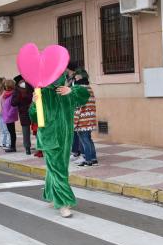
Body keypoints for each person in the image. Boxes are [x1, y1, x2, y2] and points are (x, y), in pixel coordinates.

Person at [29, 72, 89, 218]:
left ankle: (51, 195)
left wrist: (72, 90)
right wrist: (35, 104)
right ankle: (63, 202)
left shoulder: (65, 91)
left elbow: (84, 96)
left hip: (65, 138)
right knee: (58, 170)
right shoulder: (42, 92)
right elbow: (34, 117)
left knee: (55, 168)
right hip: (49, 138)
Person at [71, 73, 98, 167]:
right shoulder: (89, 88)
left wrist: (74, 122)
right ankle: (93, 159)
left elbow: (77, 108)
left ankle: (88, 160)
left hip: (83, 120)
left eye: (77, 77)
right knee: (89, 139)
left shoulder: (79, 90)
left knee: (84, 141)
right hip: (90, 119)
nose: (75, 79)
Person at [11, 75, 34, 155]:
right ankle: (31, 148)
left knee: (32, 130)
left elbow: (13, 103)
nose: (22, 82)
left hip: (29, 111)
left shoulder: (27, 88)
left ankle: (33, 148)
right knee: (30, 130)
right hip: (28, 112)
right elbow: (13, 103)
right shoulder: (18, 90)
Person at [1, 79, 19, 153]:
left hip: (9, 117)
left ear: (9, 86)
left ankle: (13, 147)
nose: (4, 87)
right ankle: (12, 146)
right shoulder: (7, 94)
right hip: (7, 116)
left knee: (12, 132)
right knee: (10, 132)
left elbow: (14, 107)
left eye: (5, 85)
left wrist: (8, 115)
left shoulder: (13, 94)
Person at [0, 77, 10, 149]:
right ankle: (2, 142)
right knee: (1, 129)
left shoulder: (5, 92)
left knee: (6, 129)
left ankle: (8, 143)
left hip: (4, 113)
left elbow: (5, 104)